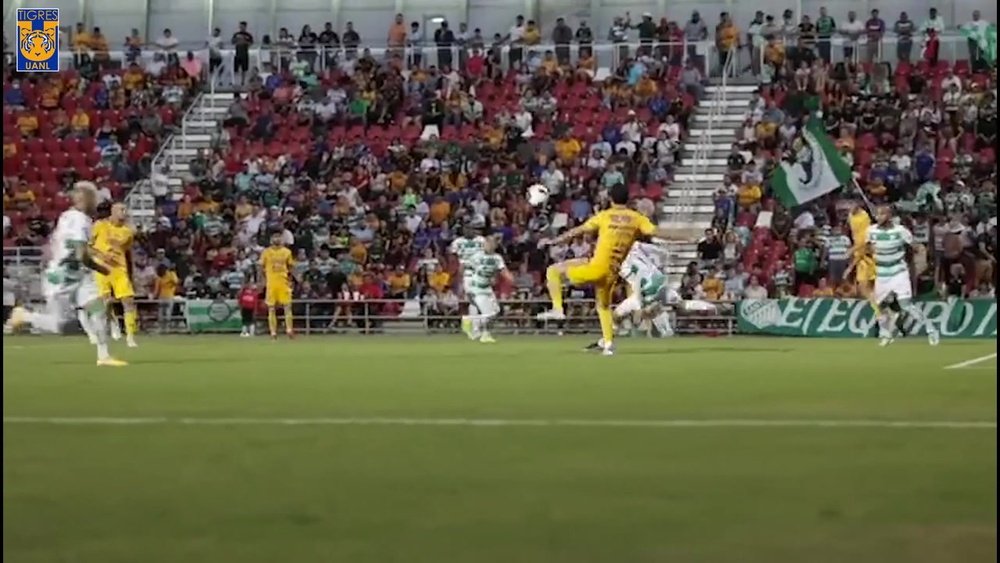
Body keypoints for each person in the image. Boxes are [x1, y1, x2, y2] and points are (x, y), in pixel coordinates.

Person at [537, 183, 667, 355]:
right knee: (603, 307)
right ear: (627, 199)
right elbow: (656, 232)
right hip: (612, 273)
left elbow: (578, 230)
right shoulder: (636, 218)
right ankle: (608, 344)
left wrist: (556, 241)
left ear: (611, 199)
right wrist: (688, 237)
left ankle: (558, 309)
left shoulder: (605, 216)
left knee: (553, 271)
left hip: (596, 268)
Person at [5, 182, 126, 367]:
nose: (97, 203)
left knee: (98, 309)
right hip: (63, 278)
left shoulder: (67, 216)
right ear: (85, 199)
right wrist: (103, 269)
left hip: (78, 275)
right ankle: (25, 316)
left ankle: (104, 356)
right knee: (59, 325)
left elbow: (74, 248)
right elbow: (80, 254)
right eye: (94, 198)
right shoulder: (79, 220)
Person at [866, 205, 940, 347]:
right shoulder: (871, 231)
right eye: (877, 215)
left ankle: (931, 330)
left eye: (881, 214)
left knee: (906, 305)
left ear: (889, 215)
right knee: (880, 306)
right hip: (882, 273)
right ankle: (886, 334)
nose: (877, 217)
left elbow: (915, 246)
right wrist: (871, 249)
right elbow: (868, 247)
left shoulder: (901, 231)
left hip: (898, 272)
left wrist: (920, 256)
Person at [91, 202, 138, 347]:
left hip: (119, 269)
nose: (124, 212)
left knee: (128, 301)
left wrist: (131, 273)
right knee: (106, 302)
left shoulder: (127, 232)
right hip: (102, 268)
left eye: (125, 209)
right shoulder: (100, 225)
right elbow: (88, 247)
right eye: (121, 210)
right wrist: (101, 255)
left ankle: (130, 336)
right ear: (113, 211)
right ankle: (113, 323)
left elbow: (127, 251)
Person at [462, 236, 513, 343]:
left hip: (487, 288)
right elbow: (466, 269)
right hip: (477, 288)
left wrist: (510, 278)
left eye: (491, 244)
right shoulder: (476, 256)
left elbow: (503, 271)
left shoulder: (497, 258)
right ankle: (485, 334)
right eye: (486, 243)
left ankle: (471, 322)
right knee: (488, 313)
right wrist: (467, 286)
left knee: (496, 311)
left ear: (494, 245)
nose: (488, 246)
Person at [449, 223, 487, 339]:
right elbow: (452, 257)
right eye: (466, 228)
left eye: (471, 228)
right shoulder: (457, 242)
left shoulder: (481, 240)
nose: (469, 231)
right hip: (466, 274)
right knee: (471, 302)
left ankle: (472, 328)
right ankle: (472, 329)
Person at [259, 233, 295, 339]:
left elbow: (291, 267)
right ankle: (273, 332)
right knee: (271, 308)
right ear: (271, 240)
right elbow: (261, 267)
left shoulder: (287, 252)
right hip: (271, 283)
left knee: (287, 307)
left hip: (283, 283)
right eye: (274, 237)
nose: (277, 239)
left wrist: (291, 280)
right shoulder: (266, 252)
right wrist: (262, 281)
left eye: (279, 237)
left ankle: (289, 330)